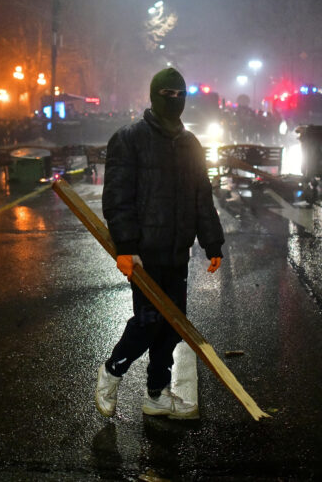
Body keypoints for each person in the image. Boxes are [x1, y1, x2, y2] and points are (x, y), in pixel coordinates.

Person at [95, 67, 225, 420]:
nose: (174, 100)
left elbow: (202, 197)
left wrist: (212, 243)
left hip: (177, 253)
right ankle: (112, 371)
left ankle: (156, 393)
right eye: (168, 94)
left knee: (172, 326)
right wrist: (125, 248)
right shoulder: (129, 139)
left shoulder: (190, 144)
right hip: (145, 255)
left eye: (180, 95)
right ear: (154, 96)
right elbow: (118, 198)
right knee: (148, 321)